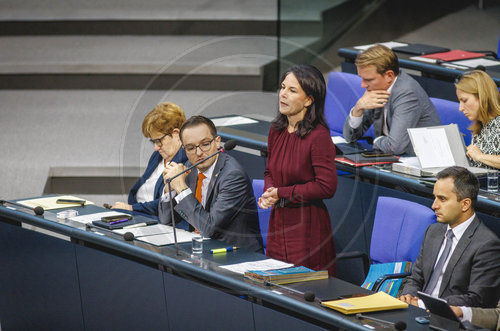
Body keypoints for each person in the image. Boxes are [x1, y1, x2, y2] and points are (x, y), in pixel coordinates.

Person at [259, 64, 337, 276]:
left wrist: (281, 193)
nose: (283, 94)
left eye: (292, 90)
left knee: (303, 288)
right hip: (278, 222)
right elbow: (270, 172)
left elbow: (326, 186)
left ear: (309, 100)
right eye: (283, 87)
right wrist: (269, 191)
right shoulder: (276, 130)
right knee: (275, 284)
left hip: (307, 227)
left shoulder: (318, 136)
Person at [399, 166, 500, 308]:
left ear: (465, 204)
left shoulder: (487, 244)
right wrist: (409, 296)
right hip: (416, 311)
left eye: (442, 199)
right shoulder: (433, 231)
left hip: (450, 319)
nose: (434, 206)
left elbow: (478, 299)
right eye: (435, 197)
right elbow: (415, 278)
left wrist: (424, 304)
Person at [158, 115, 263, 252]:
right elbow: (166, 221)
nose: (199, 153)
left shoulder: (233, 176)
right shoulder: (190, 167)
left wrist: (181, 187)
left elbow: (209, 228)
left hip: (237, 256)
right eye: (190, 148)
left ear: (217, 142)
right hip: (203, 252)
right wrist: (169, 188)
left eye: (205, 144)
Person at [343, 44, 441, 155]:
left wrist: (376, 140)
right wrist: (358, 109)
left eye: (368, 80)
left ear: (389, 76)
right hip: (391, 157)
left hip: (419, 160)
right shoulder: (378, 90)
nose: (363, 85)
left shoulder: (407, 93)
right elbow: (350, 137)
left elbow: (395, 147)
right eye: (361, 78)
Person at [112, 102, 188, 216]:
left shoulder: (187, 162)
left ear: (176, 134)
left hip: (154, 220)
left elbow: (168, 204)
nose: (156, 147)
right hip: (137, 213)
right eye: (153, 141)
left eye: (159, 141)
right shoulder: (158, 156)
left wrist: (132, 208)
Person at [455, 70, 500, 169]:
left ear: (482, 96)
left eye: (465, 100)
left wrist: (480, 156)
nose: (460, 108)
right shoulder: (480, 125)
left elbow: (479, 157)